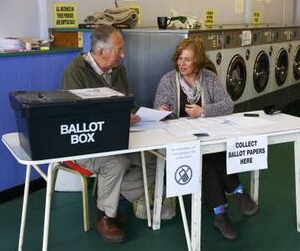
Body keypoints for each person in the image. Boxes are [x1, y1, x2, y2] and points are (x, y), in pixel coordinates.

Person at [154, 38, 259, 240]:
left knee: (213, 154)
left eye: (187, 60)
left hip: (208, 136)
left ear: (199, 61)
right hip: (180, 143)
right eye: (180, 59)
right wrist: (163, 110)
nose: (182, 64)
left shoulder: (209, 78)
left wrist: (203, 111)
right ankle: (235, 194)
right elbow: (158, 107)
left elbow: (228, 105)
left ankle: (222, 212)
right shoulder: (168, 80)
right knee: (204, 161)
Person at [62, 25, 156, 243]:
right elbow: (77, 119)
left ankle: (114, 197)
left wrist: (131, 115)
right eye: (119, 50)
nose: (123, 55)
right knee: (116, 164)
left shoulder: (118, 69)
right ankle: (104, 215)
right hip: (86, 142)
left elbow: (126, 104)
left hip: (117, 138)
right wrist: (119, 119)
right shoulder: (74, 73)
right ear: (101, 51)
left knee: (153, 158)